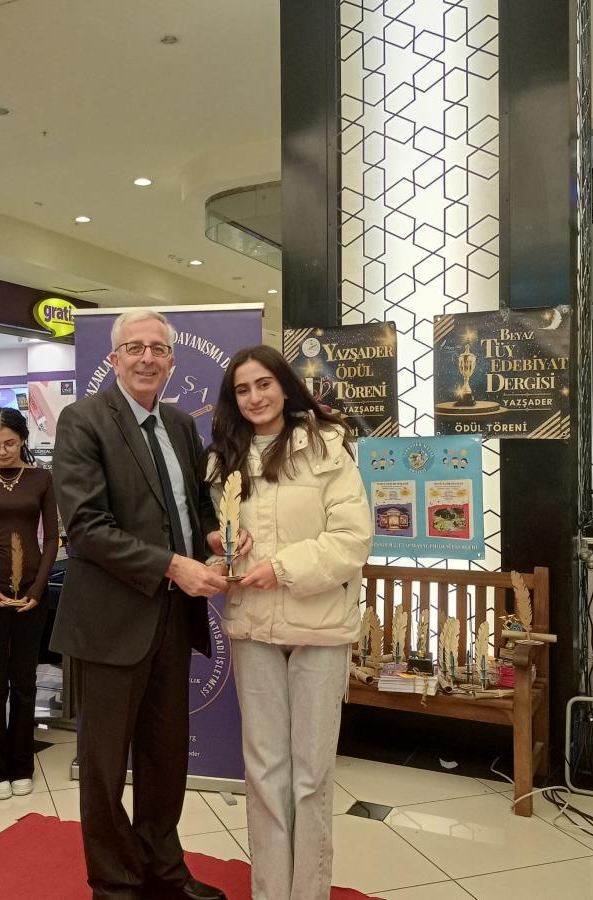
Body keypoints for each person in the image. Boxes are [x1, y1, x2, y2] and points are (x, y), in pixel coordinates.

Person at [51, 309, 239, 900]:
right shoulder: (83, 421)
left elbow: (194, 507)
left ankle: (164, 869)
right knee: (105, 765)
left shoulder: (181, 424)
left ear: (172, 362)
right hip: (111, 622)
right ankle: (115, 883)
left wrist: (212, 538)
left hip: (174, 618)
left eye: (158, 348)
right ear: (114, 359)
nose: (147, 357)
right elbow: (86, 527)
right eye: (134, 347)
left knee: (165, 756)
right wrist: (171, 565)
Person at [206, 345, 372, 900]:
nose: (254, 397)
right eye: (242, 389)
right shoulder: (223, 459)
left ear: (284, 385)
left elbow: (352, 540)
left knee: (310, 776)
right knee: (264, 771)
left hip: (318, 629)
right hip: (252, 629)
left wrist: (281, 568)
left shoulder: (327, 447)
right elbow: (219, 538)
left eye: (264, 384)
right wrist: (219, 551)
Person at [0, 408, 59, 800]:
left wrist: (38, 588)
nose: (2, 451)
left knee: (24, 681)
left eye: (10, 443)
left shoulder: (41, 478)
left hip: (32, 594)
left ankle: (22, 763)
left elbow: (51, 538)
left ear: (23, 440)